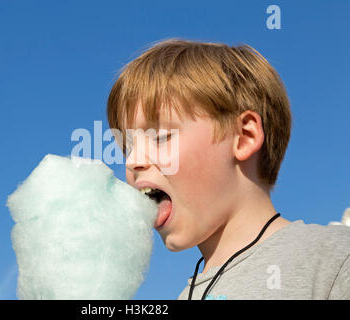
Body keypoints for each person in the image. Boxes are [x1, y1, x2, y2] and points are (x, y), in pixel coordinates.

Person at [106, 38, 350, 300]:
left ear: (243, 136)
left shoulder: (334, 260)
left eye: (160, 136)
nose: (132, 161)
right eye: (127, 146)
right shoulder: (186, 294)